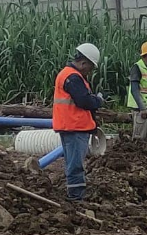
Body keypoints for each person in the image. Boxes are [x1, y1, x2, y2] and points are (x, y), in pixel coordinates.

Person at [52, 43, 104, 202]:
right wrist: (98, 101)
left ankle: (74, 195)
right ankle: (76, 197)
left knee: (72, 163)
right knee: (75, 165)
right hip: (75, 127)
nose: (90, 71)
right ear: (83, 62)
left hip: (70, 126)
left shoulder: (68, 75)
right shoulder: (73, 77)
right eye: (90, 67)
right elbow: (84, 101)